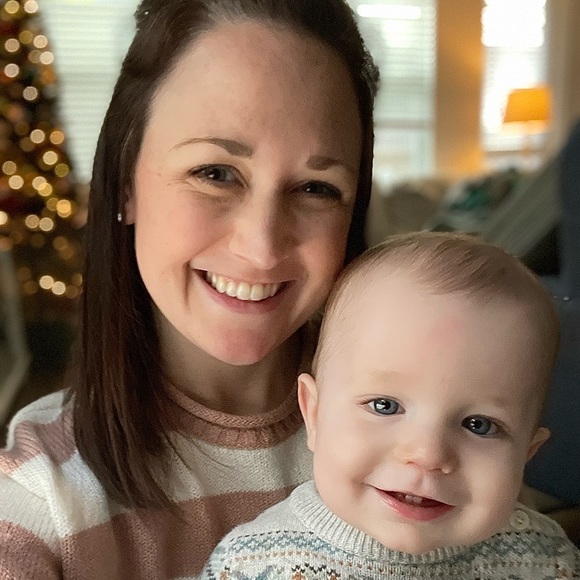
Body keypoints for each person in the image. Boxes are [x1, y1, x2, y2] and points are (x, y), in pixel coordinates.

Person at [0, 0, 379, 577]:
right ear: (125, 180)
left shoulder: (424, 444)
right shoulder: (37, 498)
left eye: (316, 188)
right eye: (215, 173)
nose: (261, 247)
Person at [202, 232, 580, 579]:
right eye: (385, 406)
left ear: (526, 453)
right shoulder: (252, 565)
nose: (427, 455)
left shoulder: (545, 558)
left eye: (478, 424)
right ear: (313, 414)